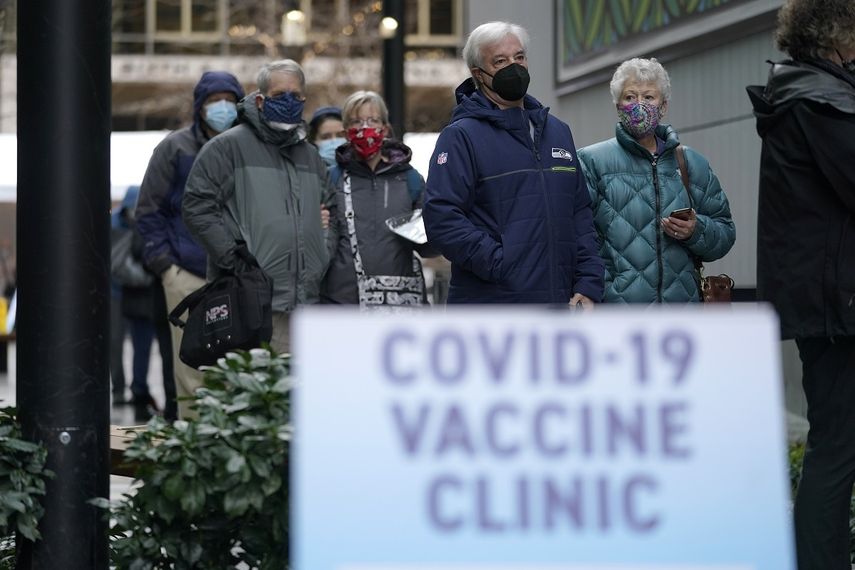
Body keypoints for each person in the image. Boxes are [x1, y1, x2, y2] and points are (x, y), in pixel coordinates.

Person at [746, 1, 855, 567]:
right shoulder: (821, 99)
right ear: (837, 33)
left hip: (827, 300)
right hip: (839, 305)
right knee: (837, 449)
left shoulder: (808, 93)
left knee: (835, 445)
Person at [423, 21, 603, 305]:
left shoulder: (557, 131)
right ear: (478, 74)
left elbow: (579, 212)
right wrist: (502, 264)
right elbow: (442, 219)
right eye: (500, 61)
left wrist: (589, 281)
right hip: (493, 308)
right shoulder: (460, 137)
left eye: (519, 57)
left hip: (560, 305)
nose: (514, 67)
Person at [183, 59, 337, 353]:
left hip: (305, 303)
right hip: (251, 303)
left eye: (296, 96)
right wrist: (234, 259)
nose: (289, 102)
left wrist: (323, 251)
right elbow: (196, 206)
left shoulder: (310, 156)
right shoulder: (227, 147)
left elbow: (332, 210)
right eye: (280, 95)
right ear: (260, 100)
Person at [578, 58, 735, 303]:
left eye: (649, 97)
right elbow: (576, 235)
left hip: (681, 313)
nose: (640, 105)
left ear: (664, 106)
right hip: (617, 312)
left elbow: (725, 232)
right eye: (630, 97)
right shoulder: (592, 161)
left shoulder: (690, 163)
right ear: (618, 105)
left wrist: (697, 230)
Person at [136, 71, 244, 419]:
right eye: (215, 101)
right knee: (188, 371)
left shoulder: (248, 147)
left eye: (229, 99)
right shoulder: (174, 147)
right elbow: (149, 210)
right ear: (200, 106)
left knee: (239, 368)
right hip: (187, 274)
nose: (223, 107)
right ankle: (193, 448)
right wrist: (167, 267)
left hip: (240, 276)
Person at [321, 90, 434, 308]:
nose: (364, 128)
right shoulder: (332, 178)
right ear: (346, 132)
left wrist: (437, 227)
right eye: (356, 121)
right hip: (342, 306)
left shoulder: (409, 179)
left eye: (372, 120)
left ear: (385, 129)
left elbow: (428, 247)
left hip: (398, 304)